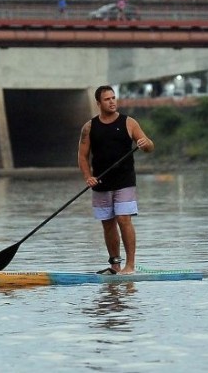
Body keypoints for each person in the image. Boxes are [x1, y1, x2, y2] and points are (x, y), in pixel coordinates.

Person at [78, 85, 154, 274]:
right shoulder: (89, 127)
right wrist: (88, 177)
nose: (112, 101)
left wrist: (145, 144)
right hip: (101, 182)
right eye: (107, 99)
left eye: (113, 98)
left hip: (125, 180)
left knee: (123, 218)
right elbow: (82, 156)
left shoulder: (129, 123)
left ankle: (130, 266)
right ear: (98, 103)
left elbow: (149, 146)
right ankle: (115, 265)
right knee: (108, 223)